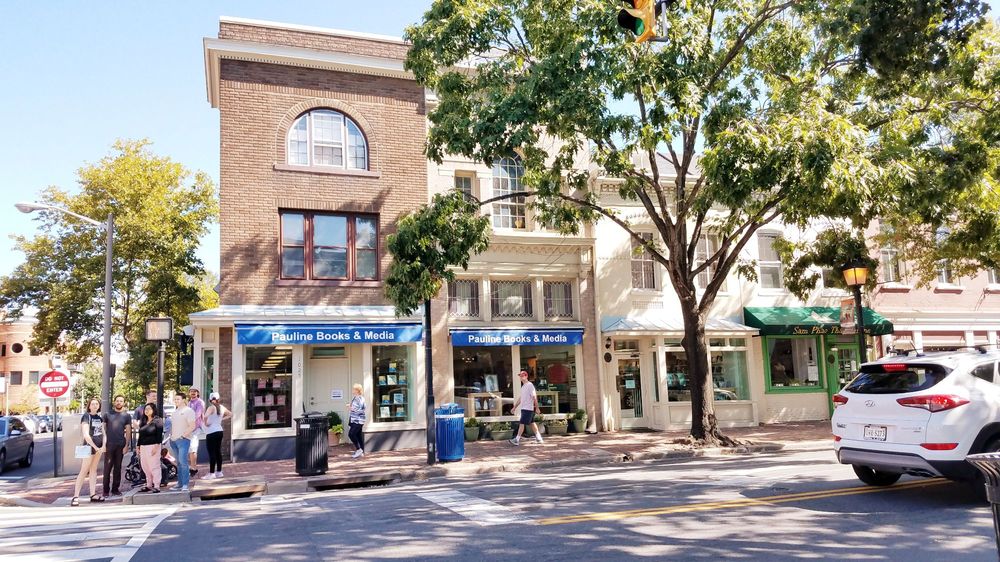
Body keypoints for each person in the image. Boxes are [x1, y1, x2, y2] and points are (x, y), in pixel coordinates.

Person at [71, 398, 105, 506]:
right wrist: (95, 447)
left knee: (94, 470)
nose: (95, 406)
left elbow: (103, 433)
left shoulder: (100, 418)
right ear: (89, 406)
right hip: (89, 447)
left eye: (97, 404)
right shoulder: (86, 416)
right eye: (93, 404)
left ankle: (93, 494)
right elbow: (86, 434)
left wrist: (103, 445)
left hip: (99, 447)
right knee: (84, 470)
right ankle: (76, 496)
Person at [102, 394, 132, 498]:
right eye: (117, 401)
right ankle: (105, 490)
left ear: (124, 403)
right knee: (107, 468)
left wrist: (127, 445)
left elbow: (128, 431)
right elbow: (103, 430)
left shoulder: (127, 416)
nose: (119, 402)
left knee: (118, 468)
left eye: (121, 401)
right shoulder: (107, 414)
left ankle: (115, 489)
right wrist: (103, 444)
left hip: (120, 445)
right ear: (114, 402)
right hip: (109, 445)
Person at [168, 393, 196, 492]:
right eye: (175, 399)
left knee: (183, 462)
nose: (176, 401)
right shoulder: (175, 412)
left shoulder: (189, 411)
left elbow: (192, 426)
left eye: (178, 399)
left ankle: (185, 484)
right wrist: (171, 436)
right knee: (178, 463)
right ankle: (179, 484)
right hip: (174, 440)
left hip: (183, 440)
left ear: (184, 400)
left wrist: (183, 435)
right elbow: (173, 425)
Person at [202, 392, 231, 479]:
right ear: (218, 399)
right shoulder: (222, 407)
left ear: (210, 400)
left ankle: (211, 473)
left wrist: (206, 423)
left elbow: (205, 416)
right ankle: (219, 472)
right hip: (219, 431)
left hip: (211, 432)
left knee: (212, 453)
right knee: (218, 452)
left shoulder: (211, 407)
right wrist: (222, 419)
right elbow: (231, 414)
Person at [509, 370, 542, 446]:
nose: (521, 377)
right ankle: (539, 438)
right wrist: (514, 407)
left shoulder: (530, 385)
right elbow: (521, 398)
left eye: (523, 375)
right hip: (525, 408)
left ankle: (517, 439)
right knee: (532, 423)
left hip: (528, 408)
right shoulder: (523, 386)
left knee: (522, 423)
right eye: (520, 376)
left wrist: (537, 408)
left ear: (526, 376)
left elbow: (534, 397)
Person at [136, 403, 164, 493]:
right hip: (143, 446)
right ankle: (149, 484)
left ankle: (156, 485)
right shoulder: (143, 421)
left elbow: (159, 434)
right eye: (145, 409)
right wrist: (138, 446)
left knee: (154, 466)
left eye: (148, 409)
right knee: (145, 466)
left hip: (153, 445)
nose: (146, 411)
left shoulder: (157, 420)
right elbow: (140, 435)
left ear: (153, 410)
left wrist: (156, 446)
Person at [187, 387, 205, 477]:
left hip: (196, 428)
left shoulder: (200, 402)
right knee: (190, 449)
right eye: (191, 391)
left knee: (193, 448)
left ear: (198, 393)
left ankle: (193, 468)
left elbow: (197, 414)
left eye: (195, 391)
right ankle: (193, 467)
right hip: (190, 429)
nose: (193, 393)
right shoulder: (189, 403)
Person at [348, 383, 366, 459]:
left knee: (351, 434)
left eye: (354, 389)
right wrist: (350, 407)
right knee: (358, 435)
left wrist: (350, 408)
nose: (353, 390)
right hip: (355, 419)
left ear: (357, 390)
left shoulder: (359, 398)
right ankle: (362, 452)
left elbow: (362, 409)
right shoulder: (356, 398)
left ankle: (358, 449)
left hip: (358, 420)